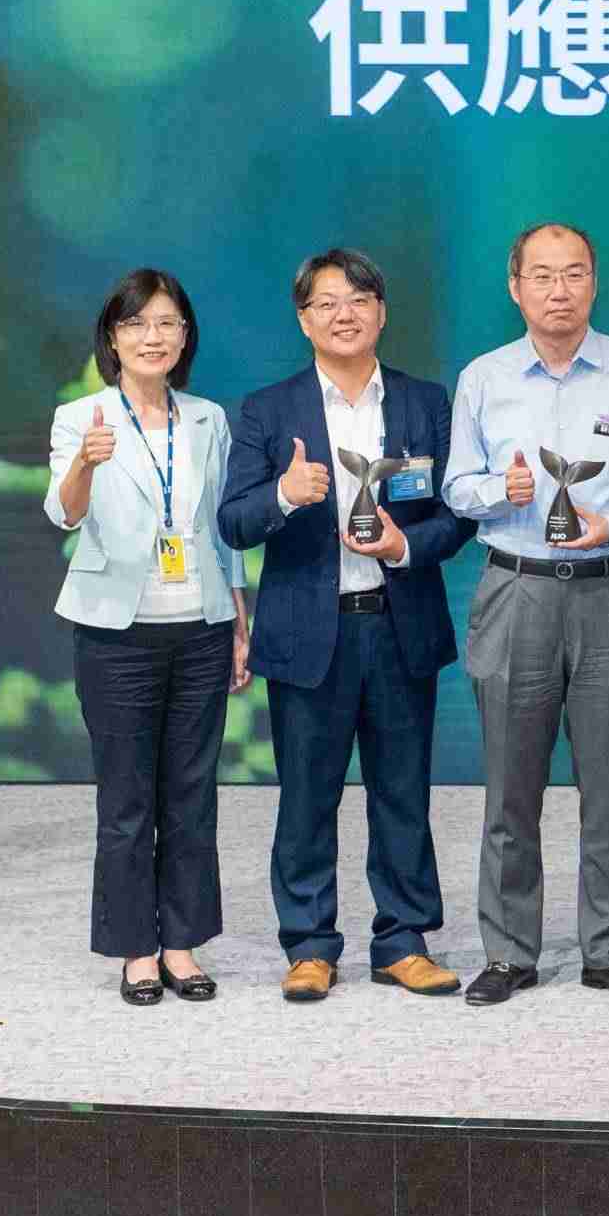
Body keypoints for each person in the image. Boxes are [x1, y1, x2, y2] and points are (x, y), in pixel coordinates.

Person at [218, 249, 473, 1003]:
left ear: (382, 312)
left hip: (399, 626)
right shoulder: (269, 410)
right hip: (309, 633)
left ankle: (403, 940)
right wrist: (285, 493)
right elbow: (233, 521)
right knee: (306, 796)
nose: (344, 313)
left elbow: (458, 513)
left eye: (358, 298)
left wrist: (403, 546)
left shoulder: (425, 403)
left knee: (403, 792)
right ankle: (308, 944)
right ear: (304, 320)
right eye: (326, 302)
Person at [444, 223, 609, 1006]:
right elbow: (456, 485)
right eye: (542, 275)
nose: (558, 290)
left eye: (573, 273)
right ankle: (509, 952)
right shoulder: (483, 377)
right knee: (510, 785)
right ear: (515, 287)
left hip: (608, 588)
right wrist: (498, 492)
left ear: (594, 282)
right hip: (517, 588)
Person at [44, 270, 251, 1005]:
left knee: (192, 794)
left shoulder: (208, 419)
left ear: (185, 336)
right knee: (127, 798)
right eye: (136, 324)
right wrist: (84, 462)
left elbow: (223, 526)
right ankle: (136, 948)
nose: (152, 336)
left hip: (200, 626)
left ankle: (182, 944)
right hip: (117, 632)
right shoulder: (82, 416)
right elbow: (64, 513)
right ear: (113, 337)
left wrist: (238, 616)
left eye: (167, 323)